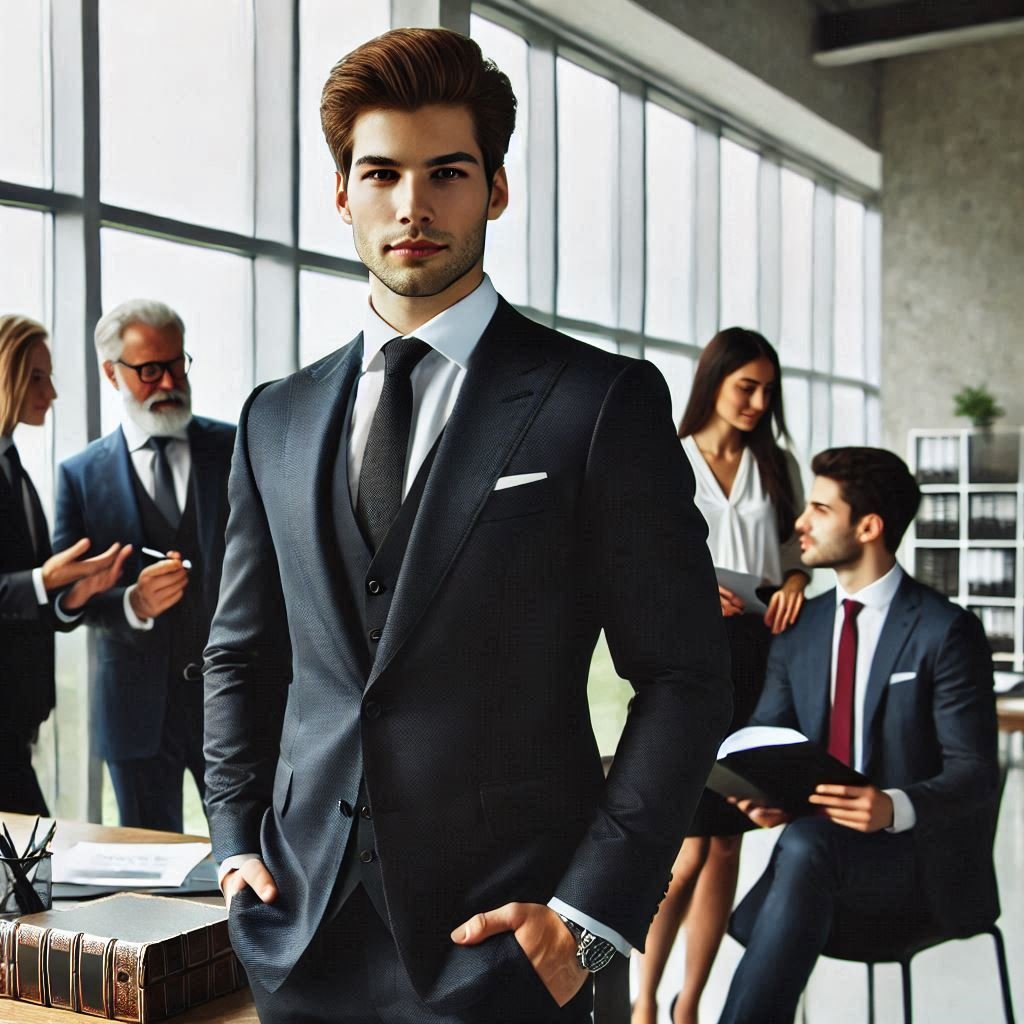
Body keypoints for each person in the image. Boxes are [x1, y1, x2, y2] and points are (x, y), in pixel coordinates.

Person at [203, 27, 732, 1024]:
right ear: (341, 193)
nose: (412, 206)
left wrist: (586, 918)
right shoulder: (274, 416)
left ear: (494, 189)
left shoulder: (597, 402)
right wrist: (234, 839)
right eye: (381, 173)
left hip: (509, 942)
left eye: (446, 173)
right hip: (298, 934)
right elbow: (240, 650)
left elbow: (683, 675)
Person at [718, 447, 999, 1024]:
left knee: (805, 847)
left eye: (819, 509)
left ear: (869, 527)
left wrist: (891, 807)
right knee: (805, 844)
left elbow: (975, 773)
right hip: (821, 862)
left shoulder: (947, 632)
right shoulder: (800, 633)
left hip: (922, 866)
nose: (800, 523)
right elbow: (763, 737)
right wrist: (763, 795)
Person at [633, 328, 808, 1024]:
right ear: (716, 382)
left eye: (768, 391)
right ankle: (644, 999)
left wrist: (795, 580)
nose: (759, 402)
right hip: (692, 657)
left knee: (728, 840)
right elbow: (640, 561)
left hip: (761, 656)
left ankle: (688, 1006)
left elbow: (796, 549)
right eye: (747, 387)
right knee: (685, 847)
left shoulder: (777, 464)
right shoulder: (667, 461)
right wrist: (691, 589)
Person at [52, 299, 235, 831]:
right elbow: (67, 599)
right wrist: (131, 603)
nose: (170, 381)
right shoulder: (79, 475)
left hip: (233, 704)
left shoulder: (235, 448)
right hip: (133, 712)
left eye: (178, 363)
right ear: (111, 372)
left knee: (260, 866)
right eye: (150, 370)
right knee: (145, 878)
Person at [0, 314, 131, 814]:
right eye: (36, 376)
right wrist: (42, 580)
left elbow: (33, 603)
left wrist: (73, 592)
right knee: (33, 871)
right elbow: (26, 587)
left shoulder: (16, 470)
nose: (50, 393)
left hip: (17, 722)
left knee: (30, 872)